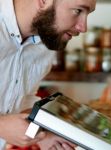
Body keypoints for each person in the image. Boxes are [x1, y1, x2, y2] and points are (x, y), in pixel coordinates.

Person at [0, 0, 96, 149]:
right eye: (78, 11)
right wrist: (2, 125)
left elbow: (23, 101)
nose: (83, 27)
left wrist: (43, 136)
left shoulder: (44, 45)